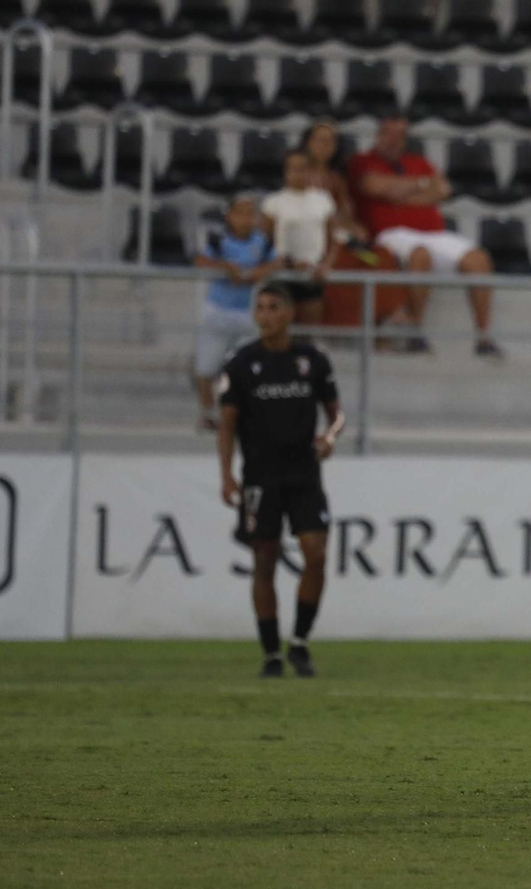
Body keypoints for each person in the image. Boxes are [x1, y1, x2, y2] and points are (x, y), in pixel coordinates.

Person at [217, 283, 344, 679]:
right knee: (264, 560)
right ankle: (271, 652)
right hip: (260, 476)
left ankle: (300, 643)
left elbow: (337, 413)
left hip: (304, 473)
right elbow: (226, 424)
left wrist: (330, 437)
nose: (265, 315)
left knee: (316, 555)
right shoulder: (241, 363)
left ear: (289, 314)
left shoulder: (312, 359)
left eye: (274, 307)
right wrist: (226, 473)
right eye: (260, 308)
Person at [347, 116, 502, 358]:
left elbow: (442, 190)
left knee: (478, 258)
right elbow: (375, 188)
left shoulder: (418, 161)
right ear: (379, 134)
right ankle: (415, 332)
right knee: (420, 254)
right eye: (389, 133)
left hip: (433, 233)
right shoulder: (363, 161)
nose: (394, 139)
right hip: (392, 233)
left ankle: (483, 337)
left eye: (400, 135)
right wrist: (421, 186)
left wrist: (398, 194)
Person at [193, 194, 283, 431]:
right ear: (230, 216)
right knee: (207, 367)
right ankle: (207, 413)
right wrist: (224, 267)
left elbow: (279, 262)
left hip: (246, 313)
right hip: (218, 311)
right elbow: (200, 260)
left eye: (250, 214)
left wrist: (261, 270)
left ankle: (243, 413)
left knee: (245, 367)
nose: (246, 219)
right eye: (240, 213)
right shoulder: (218, 239)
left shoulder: (262, 241)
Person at [262, 150, 337, 326]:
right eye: (293, 169)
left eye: (303, 168)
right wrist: (287, 262)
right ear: (286, 172)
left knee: (309, 332)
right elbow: (266, 241)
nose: (298, 173)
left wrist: (325, 265)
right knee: (280, 329)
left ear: (311, 171)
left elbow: (332, 240)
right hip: (283, 273)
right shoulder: (273, 202)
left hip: (312, 273)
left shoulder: (323, 199)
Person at [300, 120, 366, 242]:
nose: (325, 145)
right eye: (321, 140)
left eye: (330, 141)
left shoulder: (337, 179)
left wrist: (351, 226)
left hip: (332, 227)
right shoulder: (298, 174)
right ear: (309, 143)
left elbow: (346, 213)